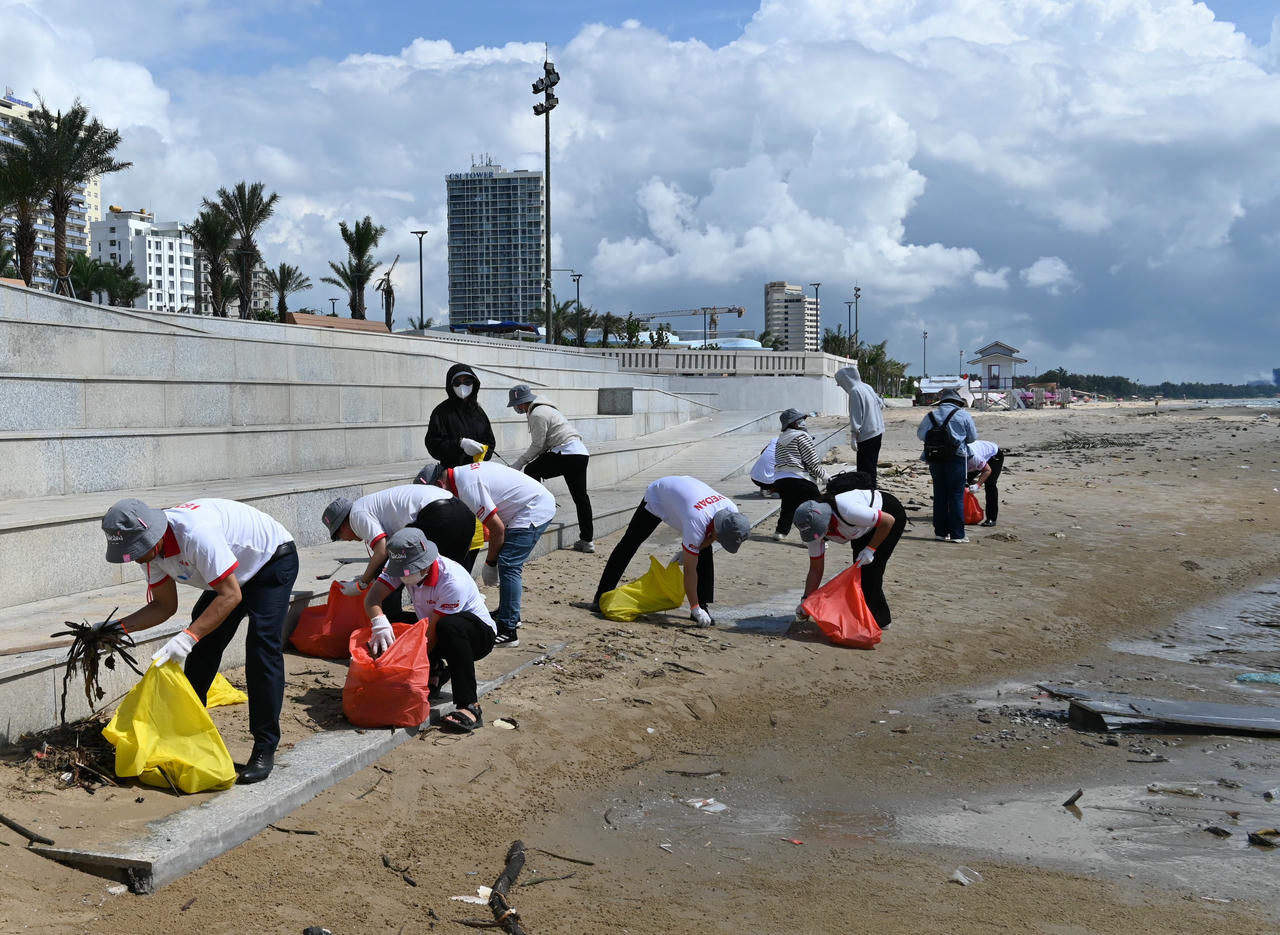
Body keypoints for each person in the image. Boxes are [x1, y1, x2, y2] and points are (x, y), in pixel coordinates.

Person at [99, 497, 299, 784]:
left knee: (261, 647)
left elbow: (231, 595)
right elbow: (164, 606)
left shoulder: (195, 534)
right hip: (232, 576)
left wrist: (188, 636)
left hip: (270, 561)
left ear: (153, 534)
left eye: (139, 550)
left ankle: (264, 747)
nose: (138, 558)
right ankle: (186, 733)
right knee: (203, 641)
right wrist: (116, 628)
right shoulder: (150, 553)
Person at [363, 528, 496, 734]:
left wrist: (403, 674)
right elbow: (372, 599)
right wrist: (379, 623)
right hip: (435, 627)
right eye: (401, 571)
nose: (404, 575)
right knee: (393, 621)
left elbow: (430, 636)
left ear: (425, 563)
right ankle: (435, 672)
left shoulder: (452, 580)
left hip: (476, 636)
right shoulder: (398, 565)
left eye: (409, 570)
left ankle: (470, 705)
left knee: (448, 626)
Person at [422, 460, 556, 646]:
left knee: (509, 563)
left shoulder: (468, 487)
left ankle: (508, 629)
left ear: (439, 484)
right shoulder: (462, 475)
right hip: (526, 505)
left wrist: (490, 564)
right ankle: (508, 613)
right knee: (507, 561)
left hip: (534, 508)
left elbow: (497, 530)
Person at [592, 475, 753, 627]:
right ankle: (600, 597)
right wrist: (694, 607)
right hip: (659, 495)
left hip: (685, 493)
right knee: (629, 543)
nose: (721, 541)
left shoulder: (731, 511)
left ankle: (703, 605)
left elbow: (713, 536)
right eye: (722, 539)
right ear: (719, 527)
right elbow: (689, 572)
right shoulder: (696, 520)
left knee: (704, 550)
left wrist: (693, 549)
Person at [321, 484, 456, 621]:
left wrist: (362, 583)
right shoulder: (365, 506)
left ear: (342, 526)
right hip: (455, 507)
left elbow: (382, 550)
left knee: (397, 568)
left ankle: (393, 622)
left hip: (436, 512)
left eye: (338, 536)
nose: (344, 540)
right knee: (450, 594)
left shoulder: (355, 516)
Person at [792, 473, 904, 629]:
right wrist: (806, 600)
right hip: (860, 528)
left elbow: (888, 521)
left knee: (871, 571)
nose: (819, 537)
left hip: (888, 517)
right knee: (860, 570)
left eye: (821, 531)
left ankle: (880, 621)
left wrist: (870, 549)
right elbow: (816, 570)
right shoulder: (813, 534)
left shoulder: (848, 510)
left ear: (827, 521)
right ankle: (865, 615)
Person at [507, 384, 595, 553]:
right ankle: (587, 540)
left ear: (522, 403)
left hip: (565, 453)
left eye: (516, 405)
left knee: (531, 470)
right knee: (581, 498)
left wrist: (518, 464)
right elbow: (545, 444)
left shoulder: (537, 414)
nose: (516, 409)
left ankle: (539, 509)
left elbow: (538, 445)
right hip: (580, 453)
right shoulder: (547, 408)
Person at [916, 387, 978, 543]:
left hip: (935, 457)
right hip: (957, 457)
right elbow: (972, 438)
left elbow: (921, 435)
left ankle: (941, 532)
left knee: (939, 495)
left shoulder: (930, 415)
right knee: (956, 495)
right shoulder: (963, 415)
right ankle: (958, 534)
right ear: (957, 402)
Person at [425, 363, 496, 468]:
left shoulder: (478, 412)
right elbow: (433, 445)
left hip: (478, 471)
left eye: (467, 382)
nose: (462, 386)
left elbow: (490, 442)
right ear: (450, 385)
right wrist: (459, 444)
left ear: (474, 384)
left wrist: (482, 449)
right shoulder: (441, 412)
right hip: (453, 472)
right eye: (457, 383)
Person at [772, 408, 828, 540]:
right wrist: (825, 476)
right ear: (794, 423)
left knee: (788, 505)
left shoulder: (780, 438)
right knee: (816, 507)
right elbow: (812, 462)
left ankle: (780, 532)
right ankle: (812, 538)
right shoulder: (802, 436)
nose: (803, 421)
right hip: (799, 478)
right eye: (800, 419)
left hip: (780, 479)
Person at [835, 362, 885, 481]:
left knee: (864, 470)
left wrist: (853, 437)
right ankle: (872, 487)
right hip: (878, 432)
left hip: (866, 436)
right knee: (872, 467)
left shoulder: (855, 391)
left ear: (846, 380)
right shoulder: (866, 386)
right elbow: (881, 404)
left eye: (840, 383)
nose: (841, 386)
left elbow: (856, 417)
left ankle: (868, 489)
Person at [966, 439, 1004, 527]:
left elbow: (987, 470)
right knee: (961, 485)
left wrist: (977, 485)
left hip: (993, 456)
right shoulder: (953, 458)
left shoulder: (973, 457)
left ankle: (991, 518)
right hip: (974, 461)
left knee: (990, 484)